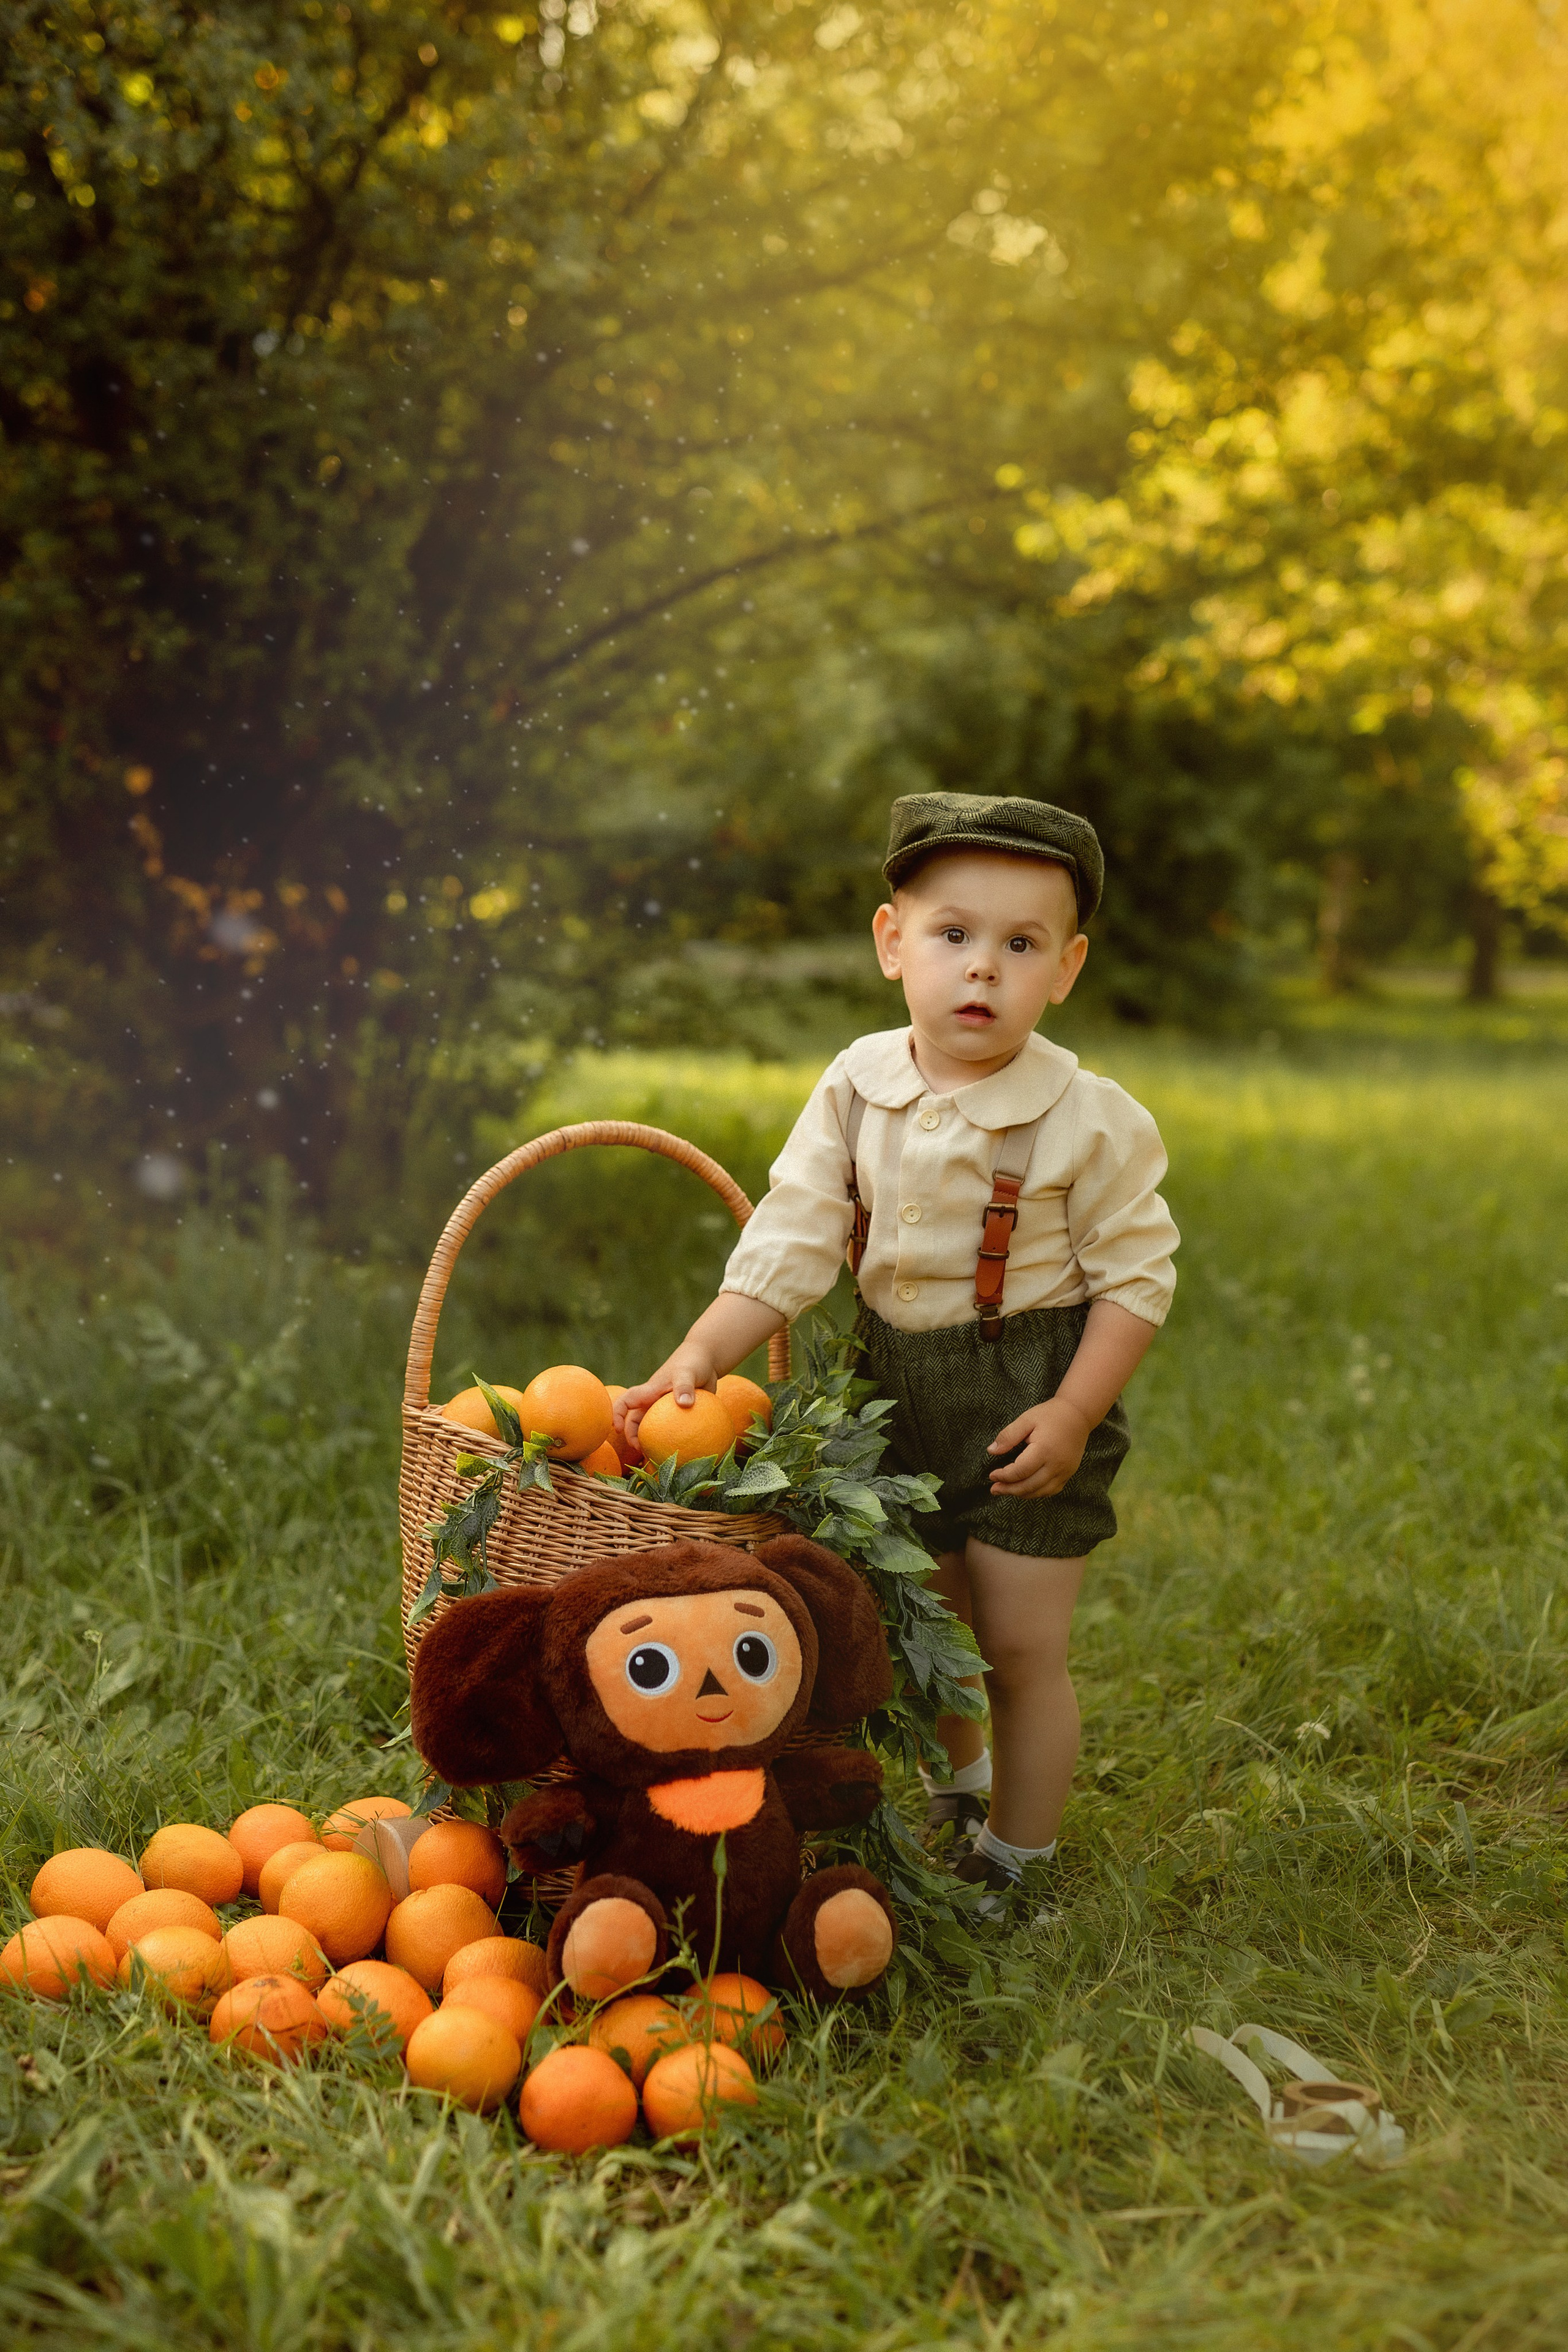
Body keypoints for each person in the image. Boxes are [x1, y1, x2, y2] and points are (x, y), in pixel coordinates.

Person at [617, 792, 1178, 1916]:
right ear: (893, 944)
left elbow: (1136, 1279)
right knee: (935, 1624)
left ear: (1065, 970)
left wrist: (1072, 1414)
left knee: (1019, 1643)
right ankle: (963, 1791)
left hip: (1030, 1392)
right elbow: (791, 1239)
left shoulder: (1090, 1117)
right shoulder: (856, 1083)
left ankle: (1021, 1862)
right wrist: (699, 1355)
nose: (983, 971)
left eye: (1021, 946)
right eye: (954, 935)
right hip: (890, 1395)